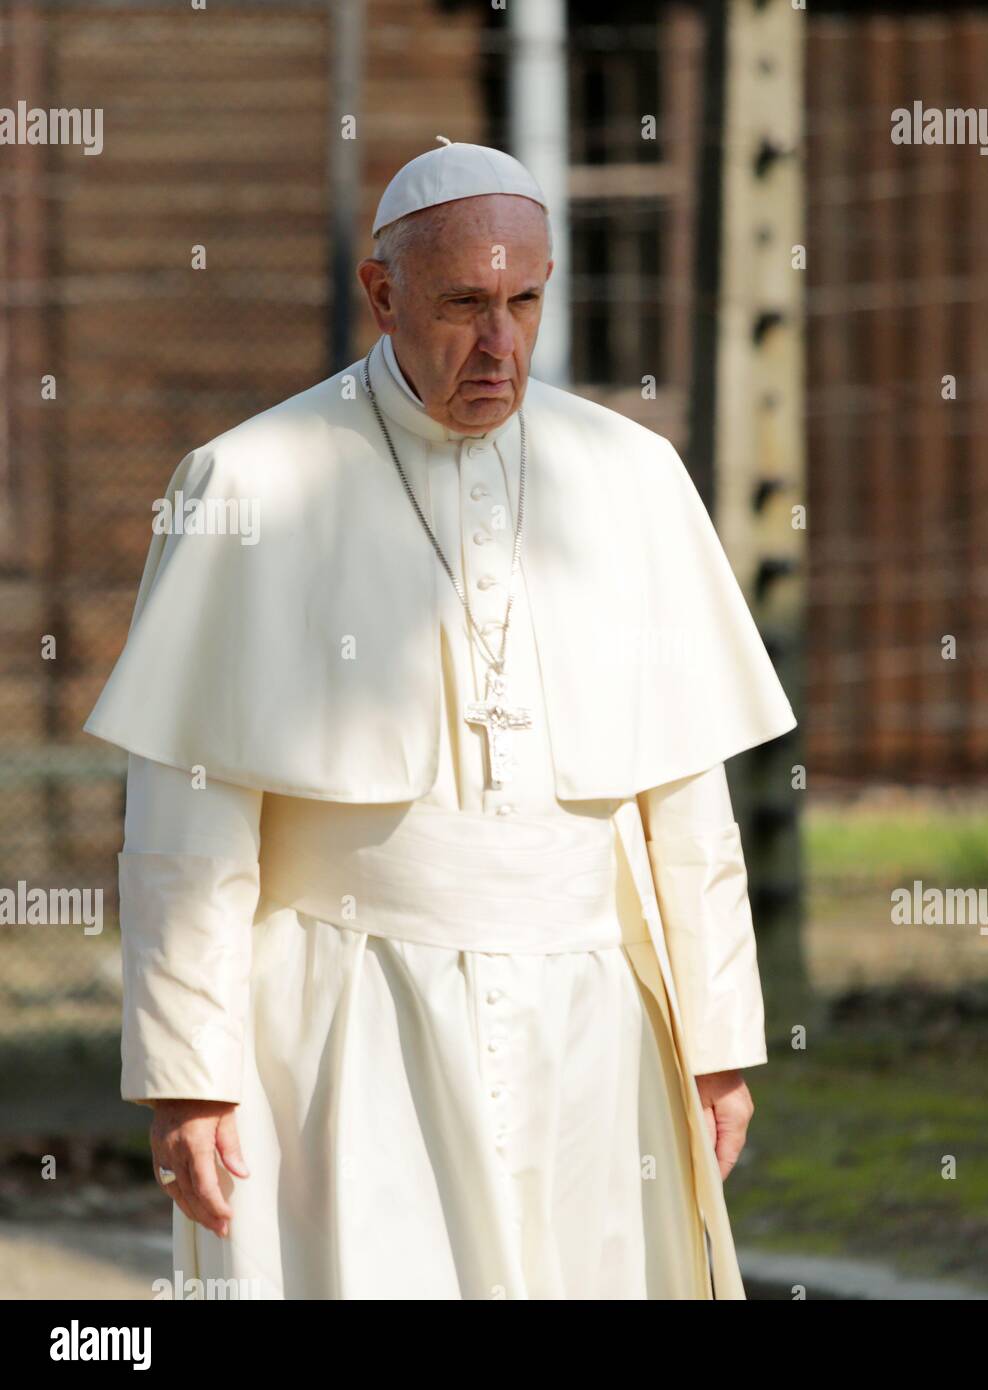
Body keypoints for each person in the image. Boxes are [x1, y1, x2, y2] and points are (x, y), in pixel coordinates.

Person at [84, 138, 796, 1299]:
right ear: (383, 294)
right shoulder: (251, 481)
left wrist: (718, 1047)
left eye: (524, 301)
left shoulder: (631, 479)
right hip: (352, 1017)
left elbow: (687, 799)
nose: (499, 344)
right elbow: (190, 809)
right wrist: (187, 1070)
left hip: (593, 1016)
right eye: (464, 304)